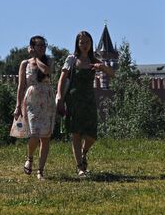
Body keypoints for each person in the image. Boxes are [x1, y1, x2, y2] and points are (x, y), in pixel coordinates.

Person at [56, 31, 114, 177]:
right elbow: (62, 79)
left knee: (91, 134)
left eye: (87, 42)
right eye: (81, 42)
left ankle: (83, 152)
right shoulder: (71, 59)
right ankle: (80, 167)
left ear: (91, 43)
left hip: (88, 100)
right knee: (76, 133)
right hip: (73, 99)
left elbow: (112, 74)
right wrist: (60, 98)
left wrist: (102, 67)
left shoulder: (94, 60)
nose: (84, 45)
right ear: (77, 43)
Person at [13, 36, 55, 180]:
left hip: (47, 100)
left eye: (44, 45)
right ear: (32, 46)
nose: (42, 48)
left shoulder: (48, 61)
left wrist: (36, 58)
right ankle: (30, 158)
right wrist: (17, 105)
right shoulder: (25, 64)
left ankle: (40, 171)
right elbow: (21, 85)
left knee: (45, 137)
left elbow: (46, 72)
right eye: (39, 45)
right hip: (31, 101)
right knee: (34, 135)